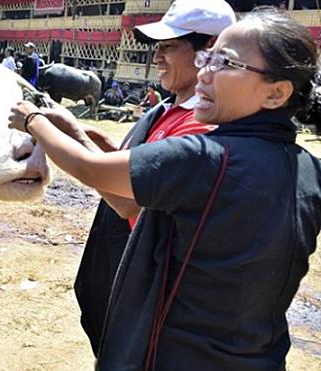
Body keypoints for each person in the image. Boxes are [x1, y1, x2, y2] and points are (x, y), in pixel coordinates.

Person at [9, 7, 321, 370]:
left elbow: (91, 169)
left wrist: (33, 120)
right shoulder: (309, 169)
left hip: (175, 353)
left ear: (275, 93)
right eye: (207, 59)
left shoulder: (206, 156)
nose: (204, 72)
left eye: (224, 62)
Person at [72, 0, 236, 356]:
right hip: (125, 272)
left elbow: (131, 202)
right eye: (157, 48)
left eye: (168, 47)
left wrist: (76, 149)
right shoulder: (167, 109)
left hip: (153, 289)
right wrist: (103, 148)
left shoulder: (202, 125)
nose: (156, 58)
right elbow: (139, 167)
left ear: (209, 49)